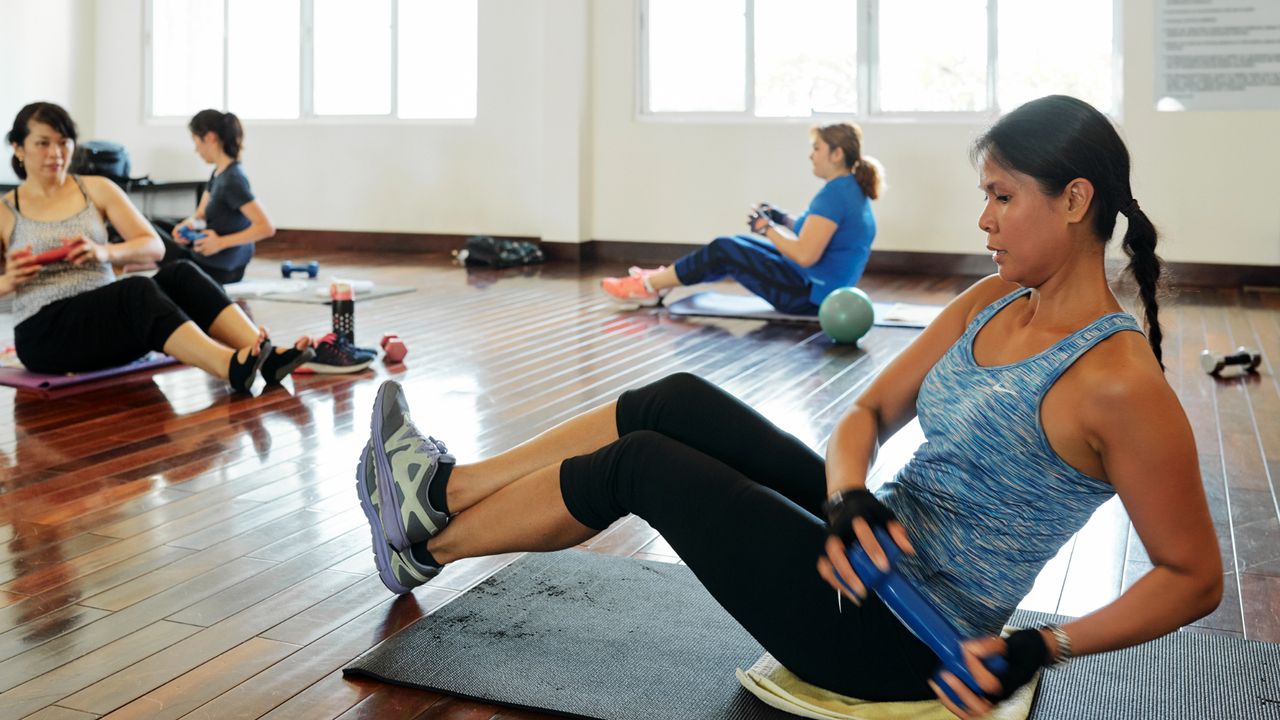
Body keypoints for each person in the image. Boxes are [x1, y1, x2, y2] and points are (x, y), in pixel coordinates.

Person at [356, 95, 1221, 717]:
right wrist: (846, 499)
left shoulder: (1119, 384)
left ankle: (428, 546)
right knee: (676, 400)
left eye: (1003, 196)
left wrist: (1043, 646)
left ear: (1074, 201)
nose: (983, 218)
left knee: (644, 466)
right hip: (872, 549)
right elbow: (867, 417)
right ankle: (443, 487)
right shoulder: (988, 303)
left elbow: (1194, 578)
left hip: (908, 640)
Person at [1, 102, 313, 391]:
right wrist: (10, 280)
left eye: (63, 142)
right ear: (18, 147)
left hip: (107, 322)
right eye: (43, 143)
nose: (56, 153)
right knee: (135, 290)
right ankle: (229, 365)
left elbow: (154, 246)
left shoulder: (96, 189)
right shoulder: (6, 210)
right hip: (45, 334)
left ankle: (267, 356)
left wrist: (104, 252)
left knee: (180, 272)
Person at [601, 121, 882, 314]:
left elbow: (806, 254)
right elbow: (813, 233)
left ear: (837, 154)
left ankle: (649, 287)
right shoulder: (848, 190)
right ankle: (660, 283)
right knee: (734, 243)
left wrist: (767, 229)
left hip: (808, 296)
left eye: (817, 148)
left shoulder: (834, 196)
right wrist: (781, 219)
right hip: (819, 288)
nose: (811, 156)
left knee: (726, 248)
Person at [164, 109, 274, 284]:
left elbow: (266, 227)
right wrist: (188, 225)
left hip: (220, 269)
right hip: (210, 261)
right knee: (162, 225)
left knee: (151, 232)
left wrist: (220, 243)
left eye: (196, 141)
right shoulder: (218, 174)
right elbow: (201, 217)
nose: (196, 149)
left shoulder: (233, 180)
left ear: (210, 138)